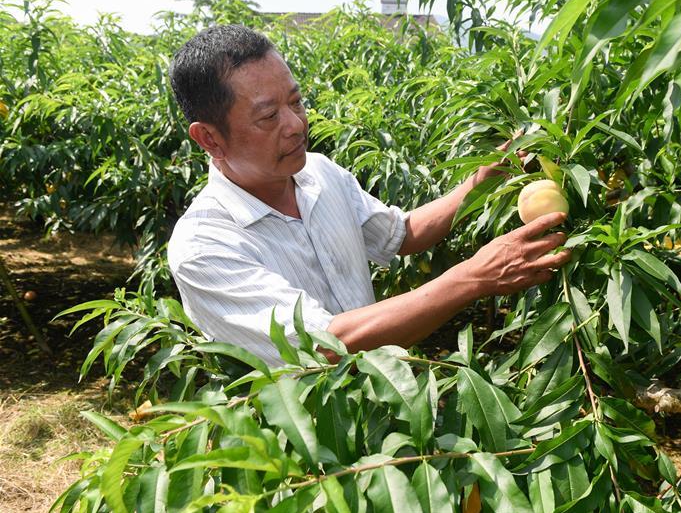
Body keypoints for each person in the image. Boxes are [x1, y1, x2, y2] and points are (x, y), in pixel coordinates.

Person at [167, 24, 570, 365]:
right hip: (295, 449)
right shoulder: (203, 247)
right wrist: (476, 276)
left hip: (383, 405)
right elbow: (326, 347)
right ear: (209, 138)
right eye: (269, 116)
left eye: (296, 102)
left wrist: (480, 181)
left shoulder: (318, 173)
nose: (296, 125)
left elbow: (401, 233)